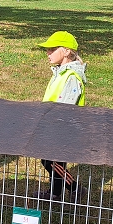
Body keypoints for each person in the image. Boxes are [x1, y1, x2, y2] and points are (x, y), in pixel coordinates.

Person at [35, 31, 87, 202]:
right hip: (52, 125)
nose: (48, 53)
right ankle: (56, 192)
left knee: (52, 162)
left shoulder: (72, 77)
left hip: (63, 129)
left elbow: (66, 108)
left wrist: (53, 125)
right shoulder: (60, 73)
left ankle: (74, 188)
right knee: (52, 161)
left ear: (66, 51)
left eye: (52, 49)